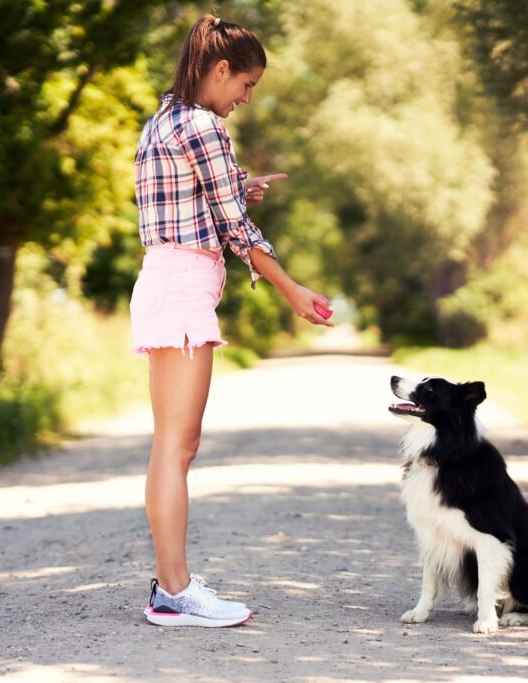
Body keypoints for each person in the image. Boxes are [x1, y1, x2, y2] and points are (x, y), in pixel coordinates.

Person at [130, 14, 333, 628]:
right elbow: (232, 228)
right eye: (245, 85)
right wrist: (293, 289)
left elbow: (187, 196)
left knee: (173, 445)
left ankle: (172, 586)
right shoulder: (205, 126)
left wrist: (239, 185)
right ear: (221, 70)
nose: (245, 99)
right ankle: (174, 591)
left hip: (166, 282)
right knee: (177, 446)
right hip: (182, 289)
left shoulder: (164, 119)